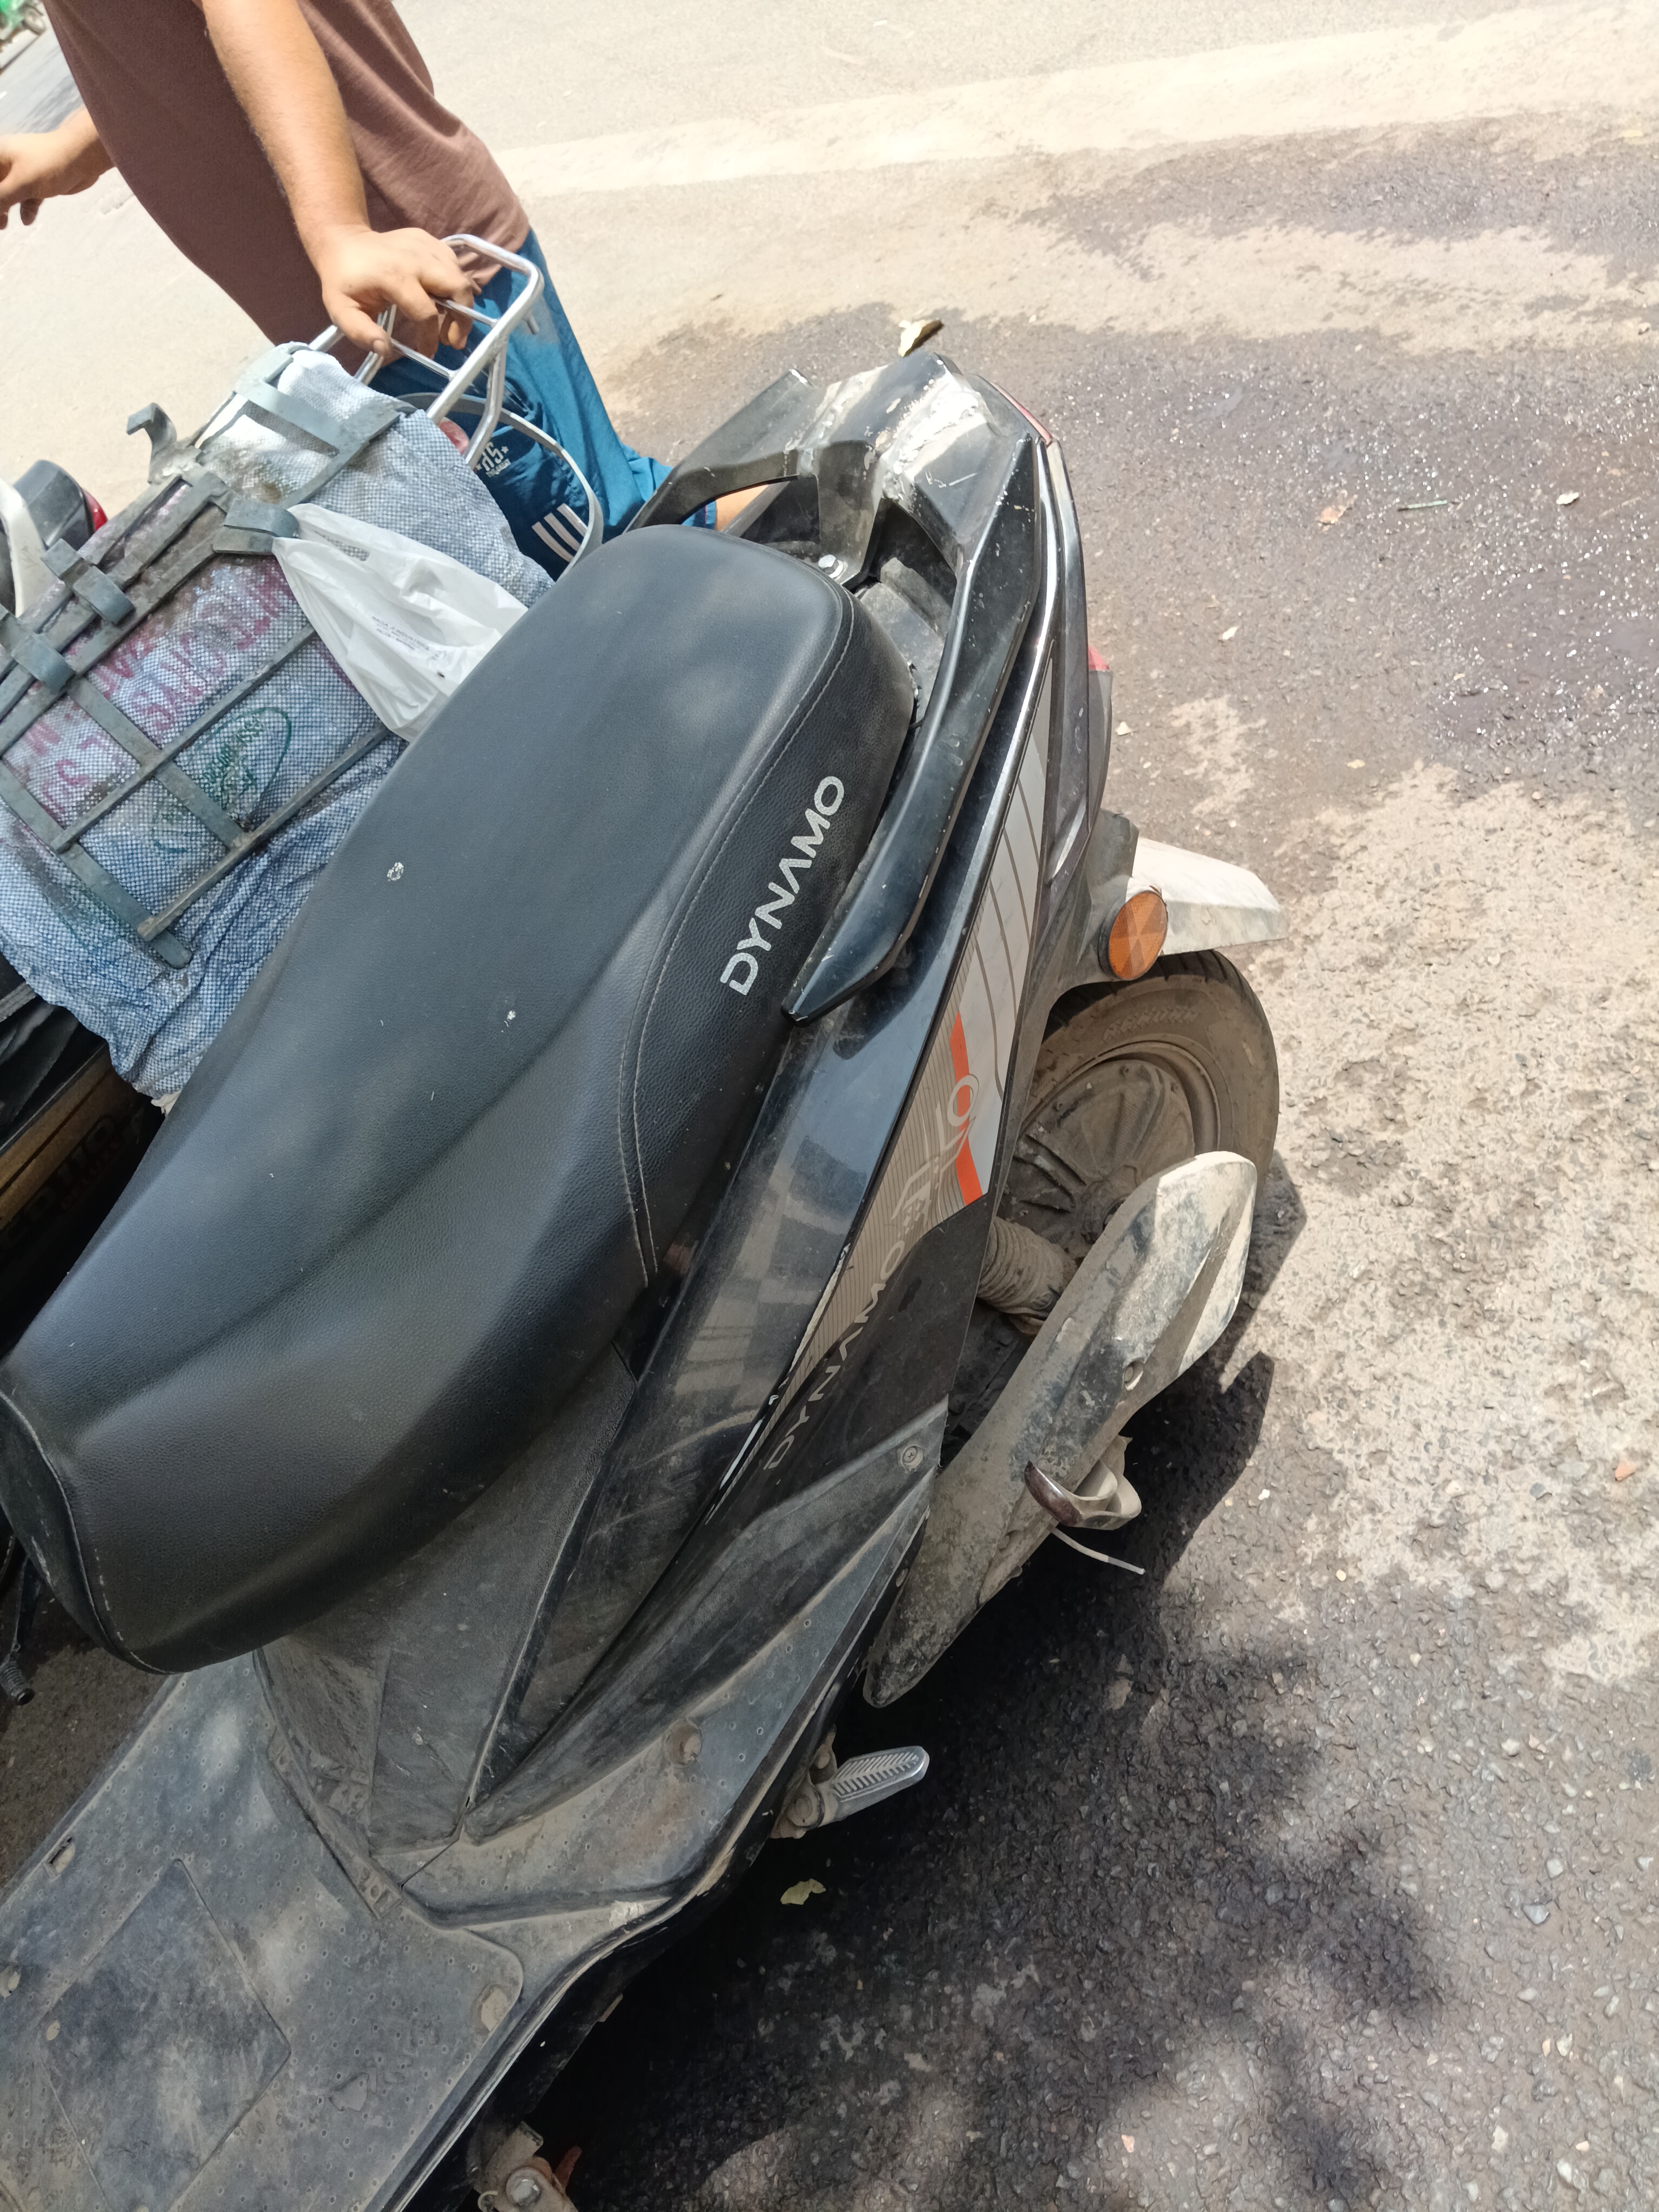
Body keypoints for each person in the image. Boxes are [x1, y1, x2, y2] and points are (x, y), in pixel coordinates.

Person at [0, 0, 676, 576]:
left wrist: (339, 230)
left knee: (609, 555)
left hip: (406, 286)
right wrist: (71, 149)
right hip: (366, 305)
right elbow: (175, 43)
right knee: (579, 560)